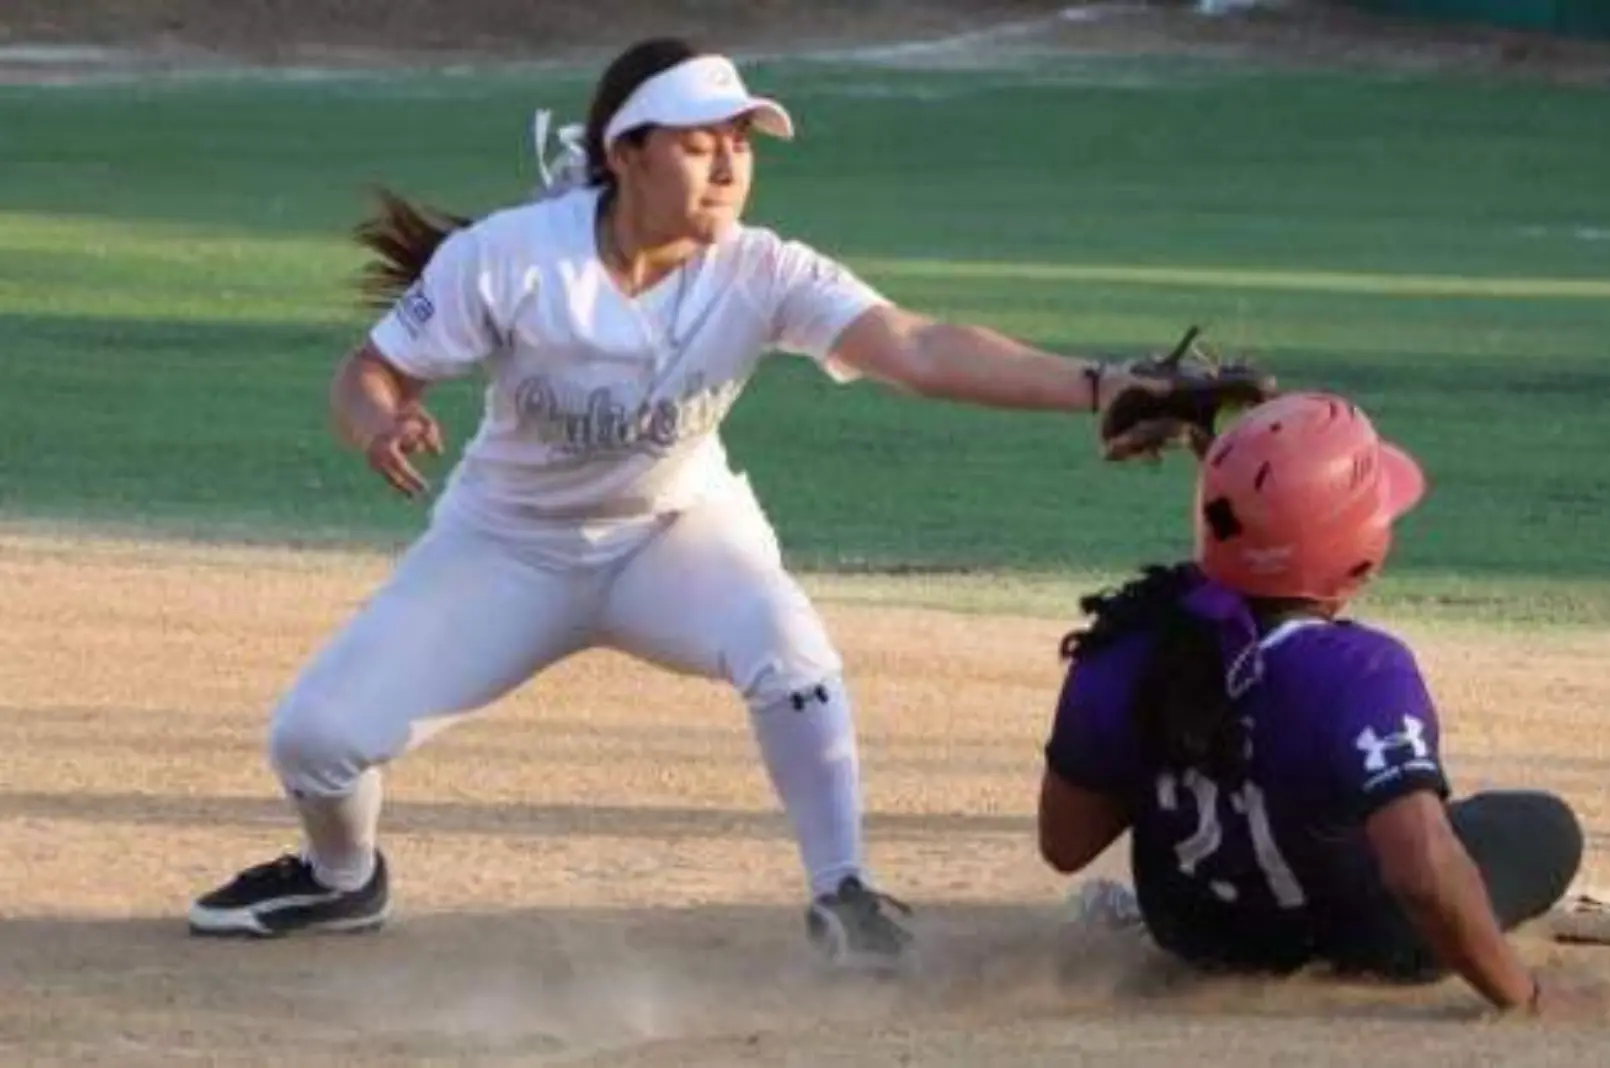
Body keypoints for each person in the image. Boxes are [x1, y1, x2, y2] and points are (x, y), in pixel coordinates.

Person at [185, 35, 1173, 970]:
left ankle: (845, 893)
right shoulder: (514, 257)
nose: (729, 165)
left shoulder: (763, 267)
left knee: (791, 653)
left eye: (741, 144)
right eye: (701, 144)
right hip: (505, 548)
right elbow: (369, 373)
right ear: (625, 154)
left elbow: (915, 348)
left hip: (678, 534)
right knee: (313, 742)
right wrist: (380, 425)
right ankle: (342, 879)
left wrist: (1098, 382)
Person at [1036, 391, 1587, 1014]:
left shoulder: (1127, 641)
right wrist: (1527, 997)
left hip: (1194, 933)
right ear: (1357, 549)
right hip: (1373, 941)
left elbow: (1066, 843)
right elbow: (1421, 874)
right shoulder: (1363, 671)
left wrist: (1185, 741)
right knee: (1543, 825)